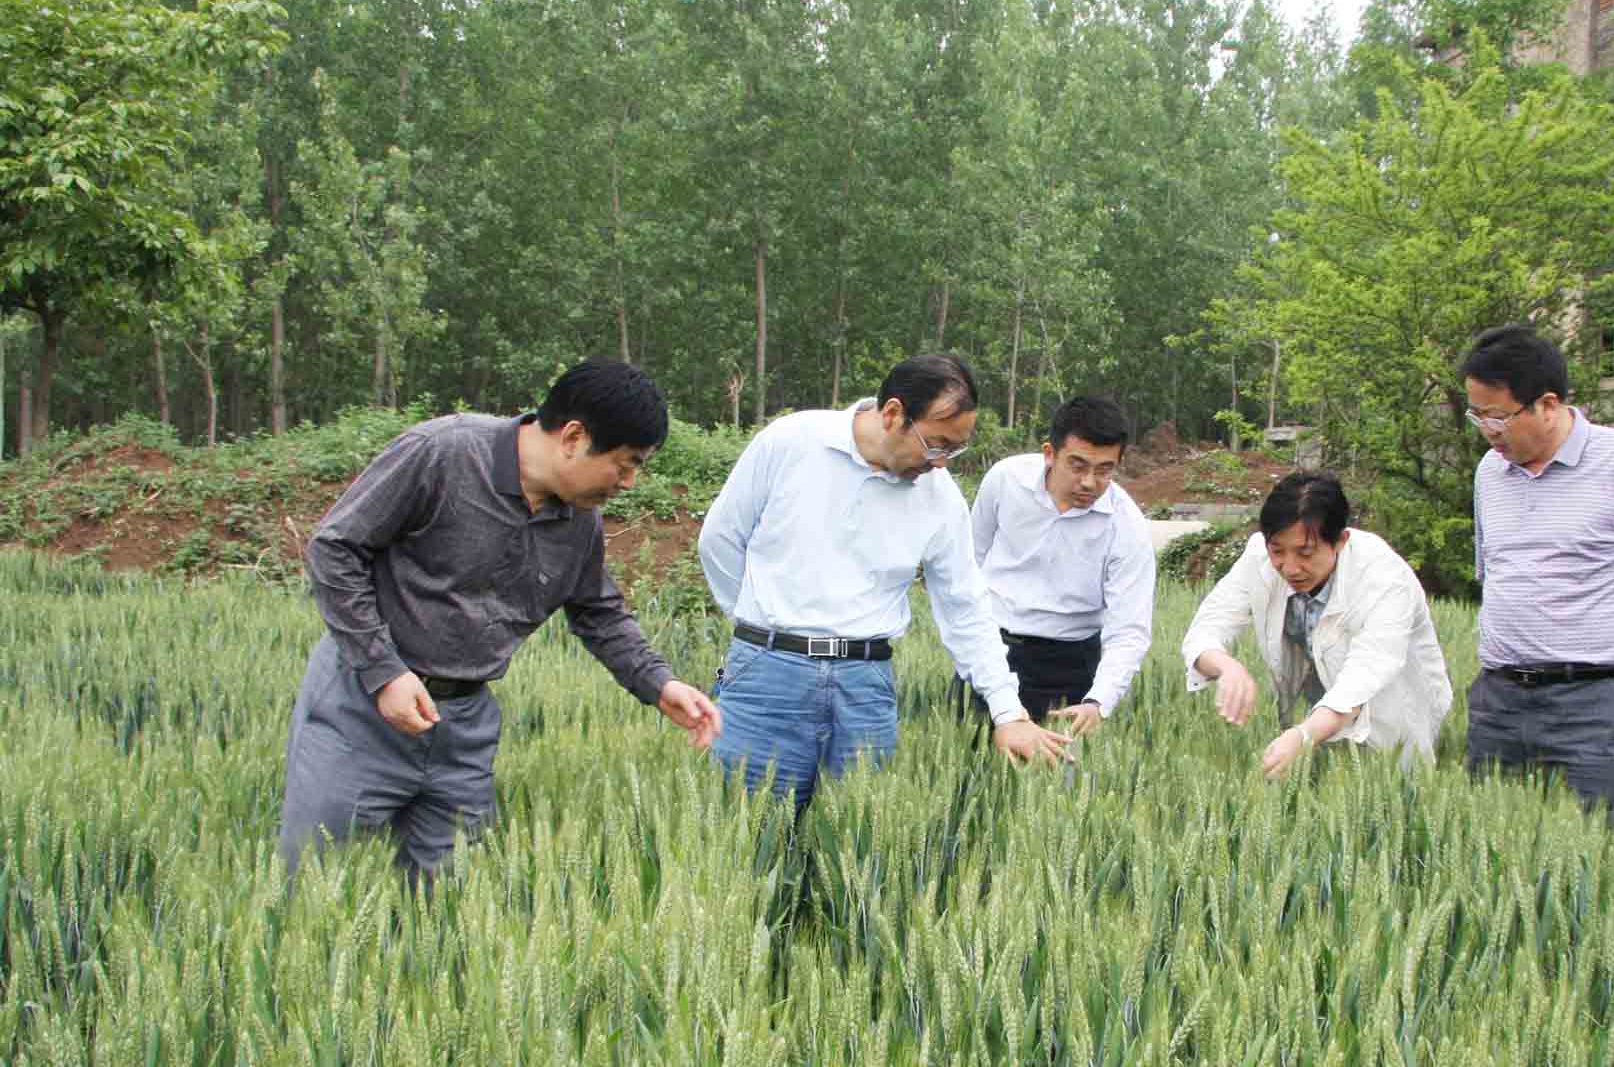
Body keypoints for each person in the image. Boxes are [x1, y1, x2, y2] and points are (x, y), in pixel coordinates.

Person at [279, 359, 721, 875]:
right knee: (316, 880)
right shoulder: (442, 453)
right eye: (625, 464)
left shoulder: (579, 520)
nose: (629, 482)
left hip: (463, 730)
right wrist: (385, 672)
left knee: (451, 900)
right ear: (574, 437)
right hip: (361, 709)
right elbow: (335, 548)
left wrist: (660, 683)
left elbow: (598, 612)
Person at [697, 353, 1070, 809]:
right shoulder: (791, 442)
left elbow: (966, 606)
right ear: (893, 413)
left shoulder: (939, 496)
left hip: (865, 686)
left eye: (954, 450)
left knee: (857, 840)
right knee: (750, 830)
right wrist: (758, 625)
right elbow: (719, 541)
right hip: (767, 676)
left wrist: (1008, 711)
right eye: (936, 444)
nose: (941, 463)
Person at [1461, 324, 1614, 812]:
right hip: (1499, 701)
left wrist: (1604, 658)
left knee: (1604, 843)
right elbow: (1496, 573)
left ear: (1547, 404)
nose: (1487, 431)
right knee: (1491, 838)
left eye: (1497, 416)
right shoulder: (1489, 473)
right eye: (1476, 415)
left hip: (1594, 708)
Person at [1180, 472, 1452, 777]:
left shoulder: (1384, 578)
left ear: (1340, 541)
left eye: (1305, 553)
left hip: (1390, 716)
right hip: (1317, 715)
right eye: (1277, 551)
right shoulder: (1258, 557)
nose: (1290, 567)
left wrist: (1304, 735)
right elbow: (1207, 627)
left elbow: (1363, 677)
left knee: (1396, 789)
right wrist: (1226, 667)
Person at [960, 396, 1156, 735]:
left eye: (1104, 470)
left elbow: (1129, 629)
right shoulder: (1005, 480)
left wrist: (1098, 701)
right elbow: (969, 562)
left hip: (1072, 667)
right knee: (968, 761)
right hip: (992, 652)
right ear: (1050, 453)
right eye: (1078, 466)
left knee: (1061, 768)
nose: (1089, 482)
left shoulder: (1127, 525)